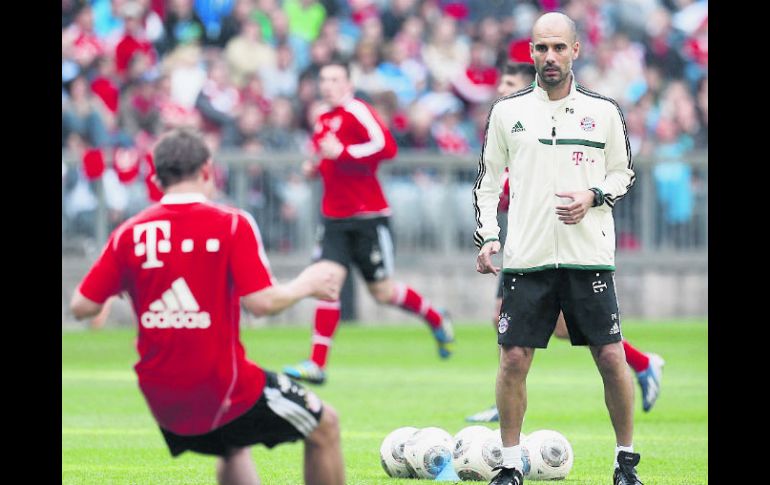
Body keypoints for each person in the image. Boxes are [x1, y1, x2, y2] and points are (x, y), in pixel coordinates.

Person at [69, 129, 345, 485]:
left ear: (155, 178)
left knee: (232, 445)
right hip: (222, 387)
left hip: (161, 395)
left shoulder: (129, 234)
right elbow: (261, 304)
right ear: (207, 170)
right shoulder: (231, 223)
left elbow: (81, 307)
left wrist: (123, 287)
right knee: (326, 425)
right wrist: (305, 285)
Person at [473, 14, 644, 485]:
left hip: (588, 254)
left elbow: (622, 172)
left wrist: (594, 195)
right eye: (541, 48)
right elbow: (487, 185)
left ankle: (625, 462)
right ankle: (509, 466)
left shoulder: (605, 111)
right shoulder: (507, 112)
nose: (550, 57)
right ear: (531, 52)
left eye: (559, 48)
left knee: (611, 357)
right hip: (527, 258)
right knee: (512, 359)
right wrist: (489, 236)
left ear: (576, 50)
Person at [466, 63, 664, 424]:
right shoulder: (508, 122)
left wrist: (586, 194)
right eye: (499, 85)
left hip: (560, 244)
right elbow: (491, 182)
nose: (501, 91)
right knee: (513, 325)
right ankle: (506, 401)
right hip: (525, 242)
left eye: (508, 84)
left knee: (561, 328)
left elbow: (618, 171)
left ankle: (642, 362)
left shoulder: (553, 119)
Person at [282, 60, 454, 385]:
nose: (328, 84)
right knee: (327, 283)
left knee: (383, 292)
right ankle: (316, 363)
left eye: (335, 78)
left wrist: (343, 151)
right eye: (324, 79)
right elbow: (329, 160)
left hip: (368, 217)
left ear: (348, 83)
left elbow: (385, 147)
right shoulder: (323, 119)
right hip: (334, 218)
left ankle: (435, 316)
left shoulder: (358, 111)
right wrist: (314, 168)